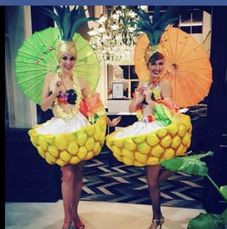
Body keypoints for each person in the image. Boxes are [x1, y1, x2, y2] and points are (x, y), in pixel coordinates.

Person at [38, 41, 121, 229]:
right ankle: (67, 218)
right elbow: (44, 105)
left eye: (72, 58)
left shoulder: (81, 81)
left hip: (79, 128)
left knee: (78, 174)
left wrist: (109, 122)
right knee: (67, 174)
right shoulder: (51, 77)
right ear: (59, 59)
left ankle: (75, 214)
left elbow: (94, 105)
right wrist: (56, 92)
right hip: (61, 128)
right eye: (65, 58)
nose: (68, 62)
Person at [129, 51, 175, 229]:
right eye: (153, 64)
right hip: (143, 129)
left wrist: (150, 100)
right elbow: (132, 107)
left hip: (158, 132)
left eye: (160, 64)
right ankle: (158, 216)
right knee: (152, 178)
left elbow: (170, 110)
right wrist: (140, 98)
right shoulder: (142, 83)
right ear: (147, 66)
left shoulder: (165, 84)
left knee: (152, 180)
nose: (157, 68)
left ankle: (157, 218)